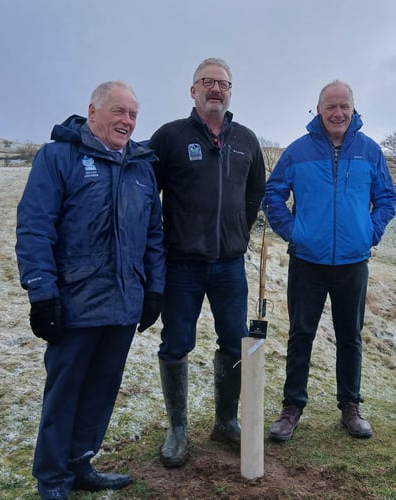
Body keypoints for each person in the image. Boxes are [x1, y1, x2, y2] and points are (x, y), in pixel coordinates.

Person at [15, 81, 165, 499]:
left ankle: (81, 463)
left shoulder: (140, 167)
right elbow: (34, 228)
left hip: (123, 303)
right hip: (74, 303)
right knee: (64, 393)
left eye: (133, 115)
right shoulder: (58, 158)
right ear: (92, 111)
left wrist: (155, 289)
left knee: (101, 389)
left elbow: (154, 234)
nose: (127, 121)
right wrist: (42, 293)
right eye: (119, 111)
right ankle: (52, 480)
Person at [263, 80, 396, 442]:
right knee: (300, 334)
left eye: (344, 107)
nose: (337, 113)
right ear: (318, 110)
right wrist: (295, 232)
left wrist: (370, 232)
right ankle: (292, 408)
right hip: (307, 260)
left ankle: (350, 407)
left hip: (353, 262)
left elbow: (386, 199)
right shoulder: (298, 151)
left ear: (353, 110)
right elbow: (272, 195)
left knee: (350, 336)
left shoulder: (369, 151)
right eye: (330, 107)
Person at [149, 57, 266, 467]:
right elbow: (149, 194)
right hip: (181, 264)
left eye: (223, 83)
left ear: (231, 90)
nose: (216, 89)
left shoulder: (247, 141)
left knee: (234, 340)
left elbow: (255, 194)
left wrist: (239, 232)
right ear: (193, 90)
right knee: (176, 343)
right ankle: (178, 430)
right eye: (207, 82)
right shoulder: (169, 137)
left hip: (230, 266)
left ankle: (225, 422)